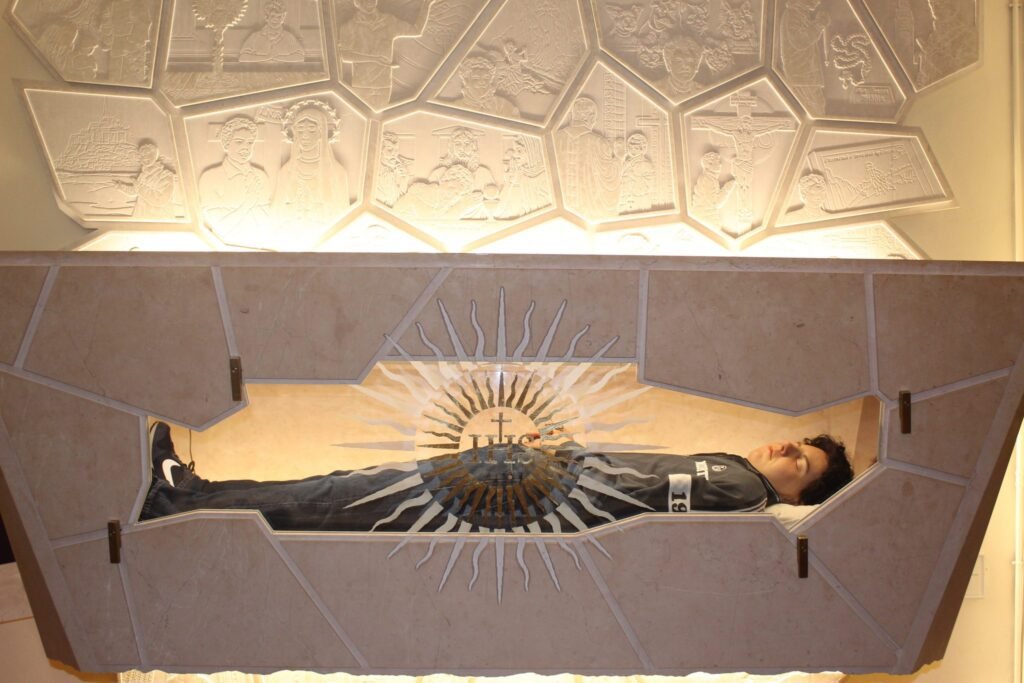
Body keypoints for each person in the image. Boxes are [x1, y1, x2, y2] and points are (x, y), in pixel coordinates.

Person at [141, 422, 853, 533]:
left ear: (800, 494)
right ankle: (191, 497)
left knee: (335, 497)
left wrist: (557, 468)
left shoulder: (741, 490)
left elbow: (632, 494)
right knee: (338, 492)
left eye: (802, 463)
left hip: (525, 490)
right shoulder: (737, 477)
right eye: (798, 444)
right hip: (531, 485)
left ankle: (176, 504)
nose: (787, 449)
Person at [272, 100, 350, 228]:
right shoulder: (286, 172)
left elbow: (343, 214)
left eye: (312, 129)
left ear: (321, 132)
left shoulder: (337, 172)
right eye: (300, 129)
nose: (305, 135)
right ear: (294, 132)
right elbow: (276, 212)